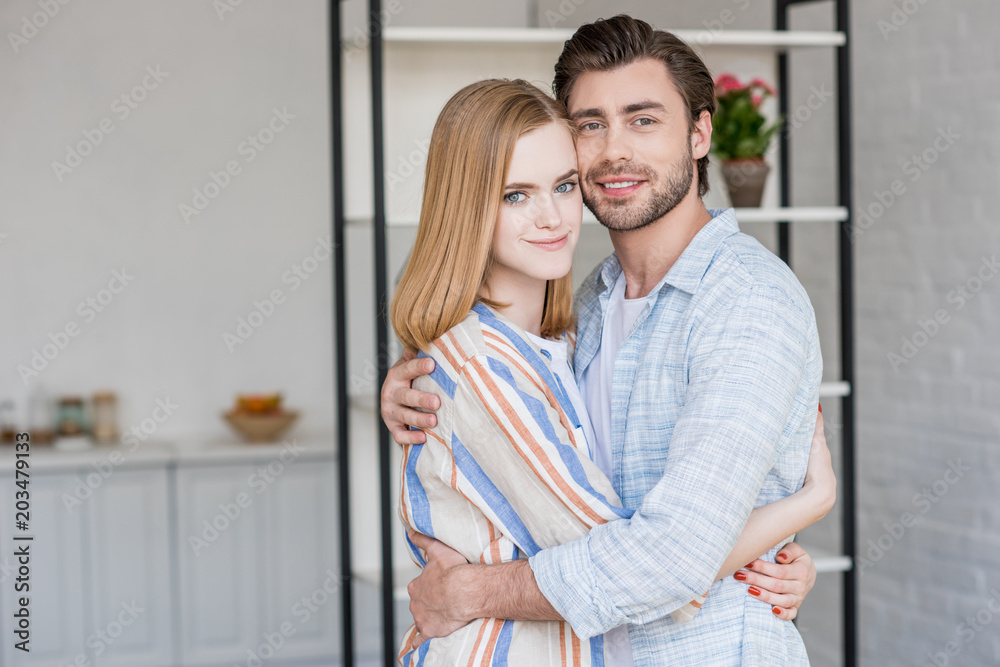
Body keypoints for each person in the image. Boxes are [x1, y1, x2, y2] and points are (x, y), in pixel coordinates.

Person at [388, 73, 834, 667]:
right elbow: (655, 562)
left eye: (562, 185)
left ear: (701, 134)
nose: (615, 149)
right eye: (593, 125)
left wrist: (468, 591)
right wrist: (803, 504)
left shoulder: (744, 299)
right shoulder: (583, 313)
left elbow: (663, 561)